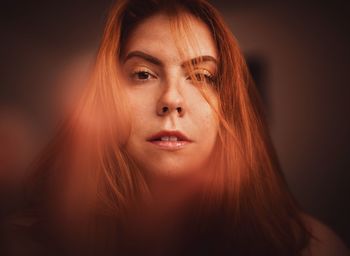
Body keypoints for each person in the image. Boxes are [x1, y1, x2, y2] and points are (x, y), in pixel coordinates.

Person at [4, 0, 348, 255]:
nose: (171, 99)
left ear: (230, 106)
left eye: (202, 76)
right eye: (142, 74)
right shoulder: (19, 244)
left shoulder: (313, 249)